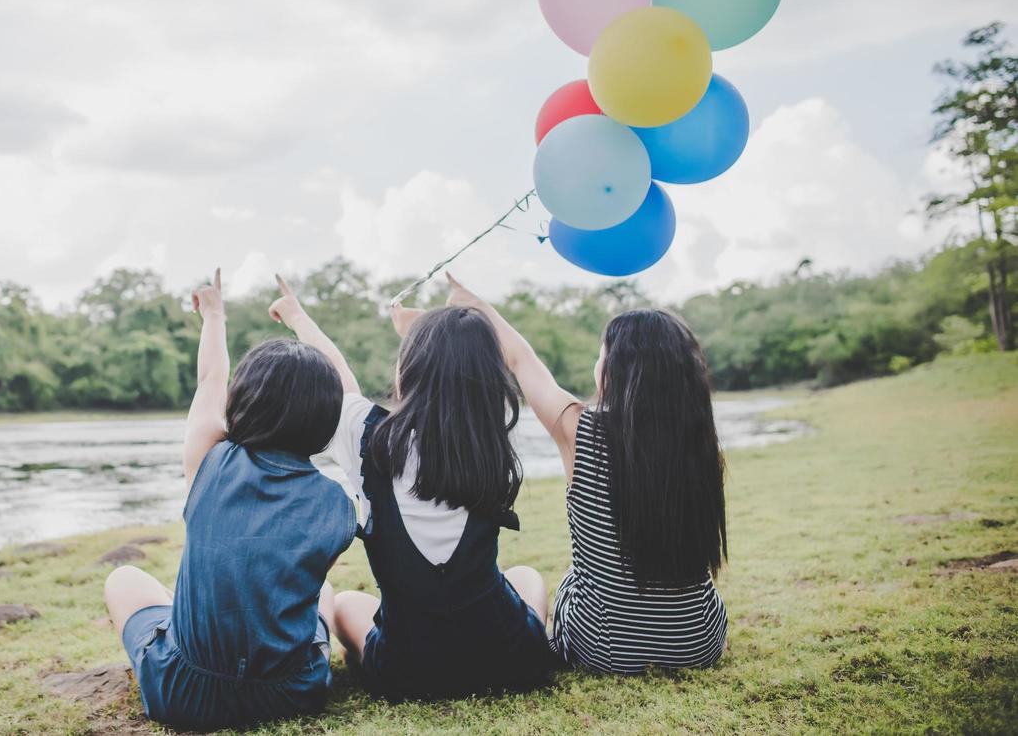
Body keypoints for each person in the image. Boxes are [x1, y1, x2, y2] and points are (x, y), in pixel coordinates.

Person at [269, 275, 555, 701]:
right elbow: (492, 365)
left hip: (407, 673)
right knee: (526, 577)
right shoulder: (491, 440)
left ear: (409, 368)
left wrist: (297, 317)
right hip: (511, 660)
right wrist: (438, 331)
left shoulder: (368, 439)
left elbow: (338, 379)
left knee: (348, 603)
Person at [103, 269, 357, 732]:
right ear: (329, 415)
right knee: (321, 591)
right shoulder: (337, 503)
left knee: (124, 578)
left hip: (184, 694)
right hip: (293, 692)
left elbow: (209, 381)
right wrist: (301, 321)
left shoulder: (209, 459)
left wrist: (214, 316)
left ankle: (172, 613)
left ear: (243, 400)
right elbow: (347, 394)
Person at [440, 273, 729, 674]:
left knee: (555, 584)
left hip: (605, 650)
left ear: (616, 370)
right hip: (699, 642)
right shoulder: (701, 446)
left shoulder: (581, 431)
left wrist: (476, 304)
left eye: (601, 354)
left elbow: (521, 359)